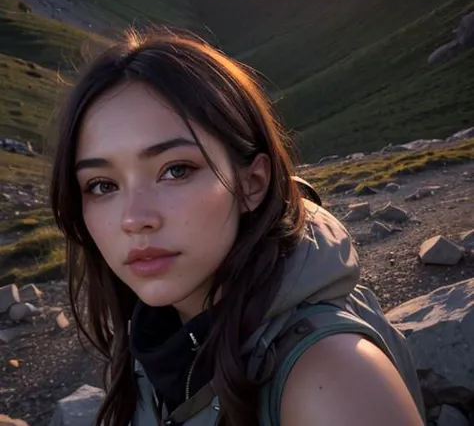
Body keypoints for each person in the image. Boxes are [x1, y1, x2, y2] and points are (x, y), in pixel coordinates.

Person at [50, 28, 426, 426]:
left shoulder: (334, 380)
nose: (133, 218)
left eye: (176, 170)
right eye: (102, 185)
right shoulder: (153, 336)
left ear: (252, 184)